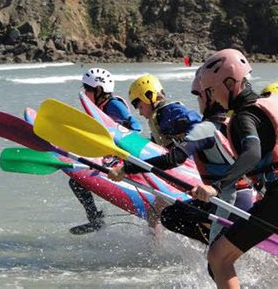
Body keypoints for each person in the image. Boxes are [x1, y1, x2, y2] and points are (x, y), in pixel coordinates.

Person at [194, 49, 278, 288]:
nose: (214, 98)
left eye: (213, 90)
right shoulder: (276, 103)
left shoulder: (243, 117)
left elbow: (252, 153)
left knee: (218, 257)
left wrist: (217, 186)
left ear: (229, 83)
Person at [109, 74, 254, 246]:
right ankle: (157, 246)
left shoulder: (169, 113)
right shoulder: (160, 118)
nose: (139, 111)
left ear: (150, 96)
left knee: (166, 214)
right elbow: (154, 150)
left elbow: (195, 128)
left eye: (138, 104)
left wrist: (128, 168)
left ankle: (216, 243)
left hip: (202, 178)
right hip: (206, 178)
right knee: (158, 211)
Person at [69, 68, 142, 235]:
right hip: (109, 155)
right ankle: (95, 219)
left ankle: (95, 220)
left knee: (78, 180)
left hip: (122, 157)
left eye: (87, 89)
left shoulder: (113, 105)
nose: (85, 93)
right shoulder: (99, 107)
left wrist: (118, 140)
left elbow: (136, 127)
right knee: (76, 180)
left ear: (99, 90)